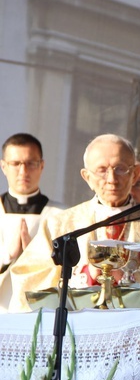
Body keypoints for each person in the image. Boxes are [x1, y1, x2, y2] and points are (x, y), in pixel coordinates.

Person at [8, 134, 140, 312]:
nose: (111, 179)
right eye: (102, 170)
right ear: (87, 177)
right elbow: (27, 279)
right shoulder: (59, 225)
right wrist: (84, 275)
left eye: (120, 168)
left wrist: (128, 278)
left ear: (135, 173)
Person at [0, 133, 65, 312]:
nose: (23, 171)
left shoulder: (61, 215)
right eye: (16, 164)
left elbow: (70, 273)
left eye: (31, 163)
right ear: (3, 166)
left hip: (41, 314)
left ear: (41, 165)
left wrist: (37, 257)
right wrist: (7, 257)